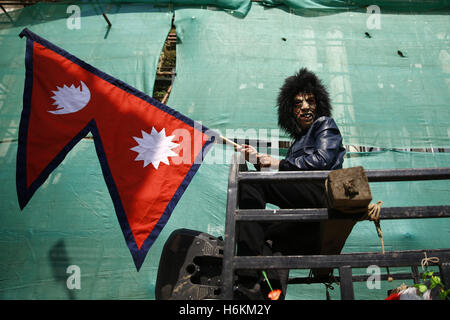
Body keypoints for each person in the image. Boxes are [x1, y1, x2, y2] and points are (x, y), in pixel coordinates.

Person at [234, 68, 352, 300]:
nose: (305, 107)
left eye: (310, 101)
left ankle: (245, 268)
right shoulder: (298, 140)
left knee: (251, 184)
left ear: (319, 104)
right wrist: (259, 161)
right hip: (303, 220)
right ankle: (260, 296)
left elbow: (322, 161)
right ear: (291, 111)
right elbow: (288, 173)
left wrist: (275, 163)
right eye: (298, 103)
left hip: (319, 193)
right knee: (269, 238)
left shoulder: (325, 125)